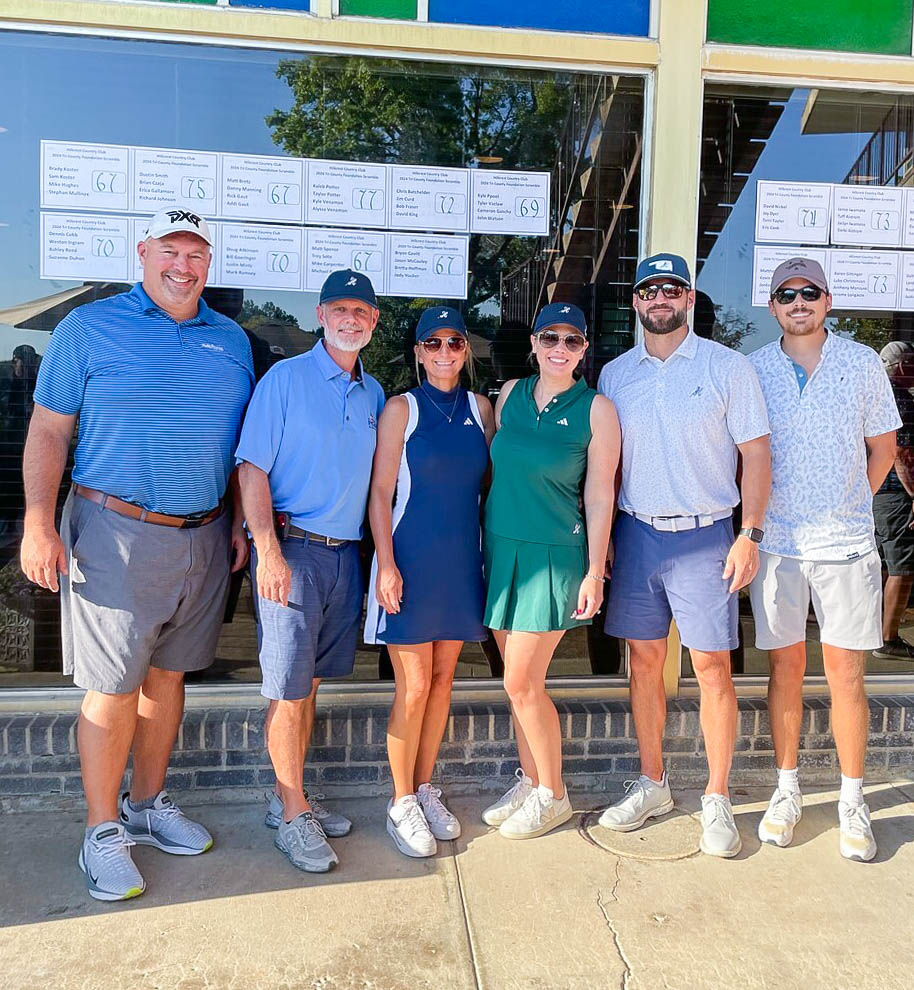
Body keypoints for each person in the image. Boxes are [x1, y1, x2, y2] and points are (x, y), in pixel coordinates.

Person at [20, 207, 254, 901]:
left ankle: (146, 807)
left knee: (168, 680)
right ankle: (101, 831)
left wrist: (239, 524)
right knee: (113, 686)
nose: (183, 266)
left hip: (205, 536)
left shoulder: (233, 339)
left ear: (209, 264)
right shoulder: (86, 328)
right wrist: (38, 522)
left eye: (197, 255)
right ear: (143, 251)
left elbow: (239, 445)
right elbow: (48, 431)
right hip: (115, 531)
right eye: (171, 251)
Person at [597, 252, 771, 858]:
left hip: (707, 536)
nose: (659, 299)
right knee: (643, 664)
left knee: (712, 670)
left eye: (672, 289)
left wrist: (749, 532)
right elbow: (606, 467)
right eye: (649, 290)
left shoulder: (729, 368)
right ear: (637, 302)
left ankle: (717, 797)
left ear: (689, 299)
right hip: (639, 534)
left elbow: (756, 456)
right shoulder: (616, 376)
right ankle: (653, 782)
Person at [748, 257, 899, 862]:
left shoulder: (862, 364)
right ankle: (787, 791)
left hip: (846, 546)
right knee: (784, 672)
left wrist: (850, 502)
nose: (799, 302)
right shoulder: (753, 369)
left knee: (847, 678)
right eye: (787, 294)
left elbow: (884, 447)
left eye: (809, 292)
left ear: (827, 300)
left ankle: (852, 798)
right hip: (778, 546)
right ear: (773, 306)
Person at [236, 268, 385, 874]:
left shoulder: (374, 393)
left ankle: (287, 796)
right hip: (293, 551)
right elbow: (251, 470)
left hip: (345, 556)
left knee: (312, 685)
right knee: (288, 689)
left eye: (363, 312)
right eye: (340, 309)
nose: (352, 320)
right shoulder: (286, 379)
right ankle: (294, 813)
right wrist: (267, 549)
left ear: (374, 324)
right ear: (321, 315)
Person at [481, 302, 619, 839]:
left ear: (584, 351)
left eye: (572, 340)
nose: (560, 348)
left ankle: (553, 794)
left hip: (555, 555)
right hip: (502, 547)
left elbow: (601, 493)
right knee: (518, 684)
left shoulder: (597, 409)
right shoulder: (511, 395)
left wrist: (594, 572)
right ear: (535, 344)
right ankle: (532, 778)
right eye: (550, 338)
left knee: (521, 680)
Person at [365, 306, 494, 857]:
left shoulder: (482, 409)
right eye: (433, 344)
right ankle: (399, 802)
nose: (445, 353)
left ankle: (423, 786)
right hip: (411, 560)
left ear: (466, 351)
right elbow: (380, 495)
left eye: (455, 343)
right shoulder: (402, 409)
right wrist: (387, 564)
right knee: (413, 686)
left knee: (443, 682)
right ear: (418, 352)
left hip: (461, 564)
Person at [872, 341, 914, 661]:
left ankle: (877, 632)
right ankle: (889, 639)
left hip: (875, 494)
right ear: (898, 366)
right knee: (903, 566)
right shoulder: (900, 401)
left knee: (886, 565)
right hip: (897, 495)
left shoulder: (874, 398)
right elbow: (901, 454)